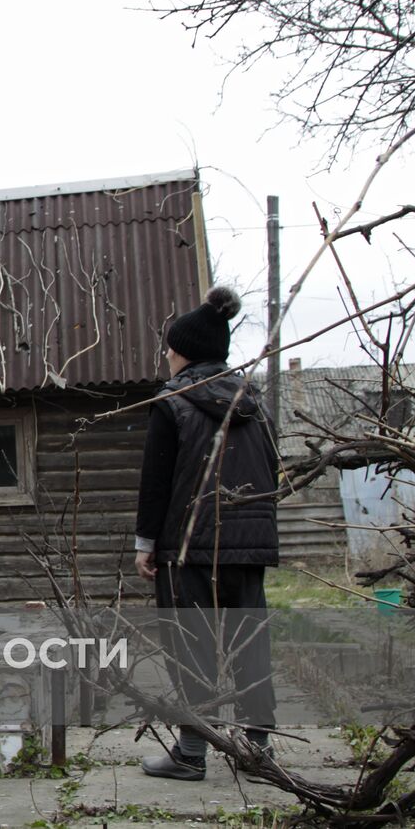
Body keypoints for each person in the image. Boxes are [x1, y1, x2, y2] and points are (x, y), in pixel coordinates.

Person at [134, 285, 279, 781]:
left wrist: (146, 544)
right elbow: (273, 471)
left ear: (184, 352)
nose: (167, 355)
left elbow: (156, 482)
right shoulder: (252, 402)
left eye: (170, 347)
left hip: (188, 548)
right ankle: (258, 752)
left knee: (190, 646)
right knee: (249, 646)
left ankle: (193, 752)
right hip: (249, 545)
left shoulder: (173, 402)